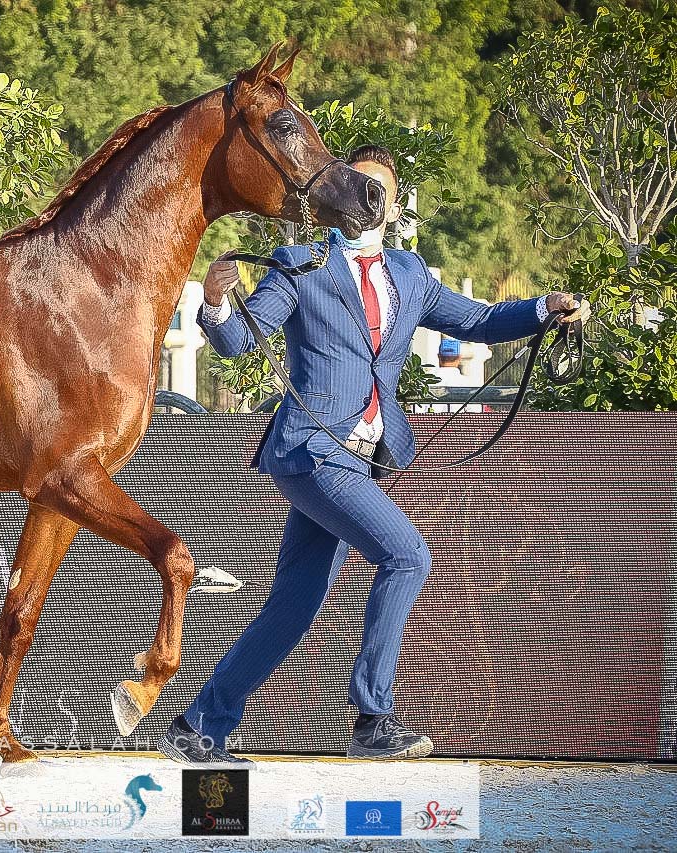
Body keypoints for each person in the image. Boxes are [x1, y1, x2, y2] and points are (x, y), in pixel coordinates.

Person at [160, 144, 591, 764]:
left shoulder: (409, 275)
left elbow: (479, 321)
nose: (364, 197)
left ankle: (197, 727)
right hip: (312, 450)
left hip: (359, 457)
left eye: (377, 190)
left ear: (391, 204)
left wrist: (542, 308)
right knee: (407, 556)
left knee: (295, 604)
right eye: (354, 185)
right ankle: (372, 719)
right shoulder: (301, 264)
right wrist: (217, 302)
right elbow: (235, 343)